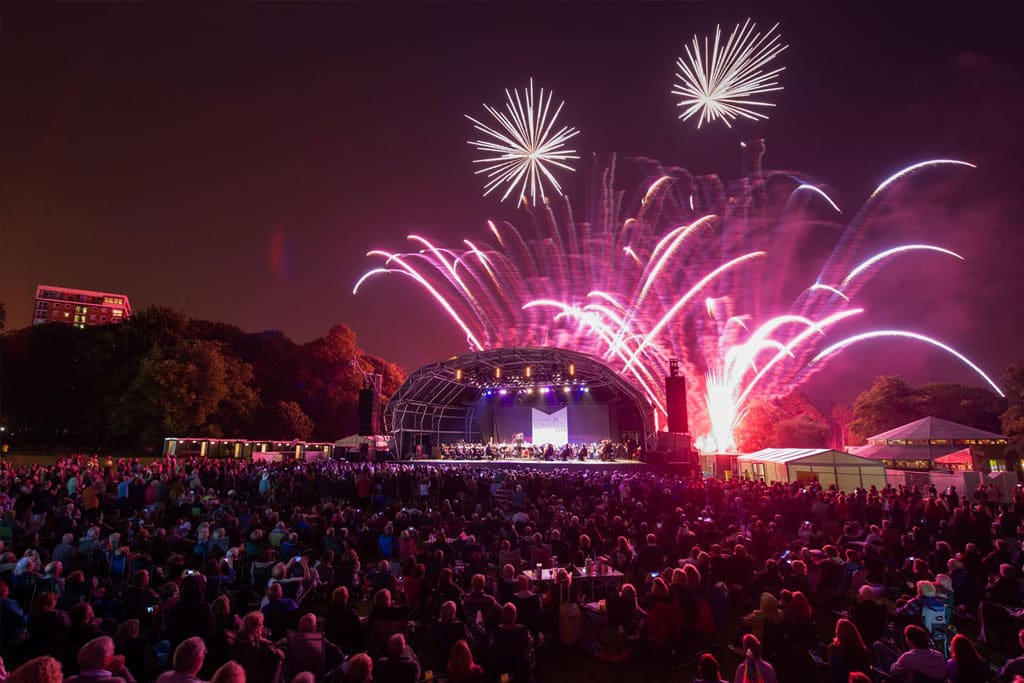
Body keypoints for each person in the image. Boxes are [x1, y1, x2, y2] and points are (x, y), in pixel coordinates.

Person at [227, 612, 284, 683]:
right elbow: (279, 656)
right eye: (261, 624)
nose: (263, 626)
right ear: (257, 626)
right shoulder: (260, 643)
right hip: (258, 677)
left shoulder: (236, 640)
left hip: (240, 674)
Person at [64, 636, 137, 683]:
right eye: (112, 652)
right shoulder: (117, 681)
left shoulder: (69, 680)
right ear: (105, 659)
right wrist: (123, 669)